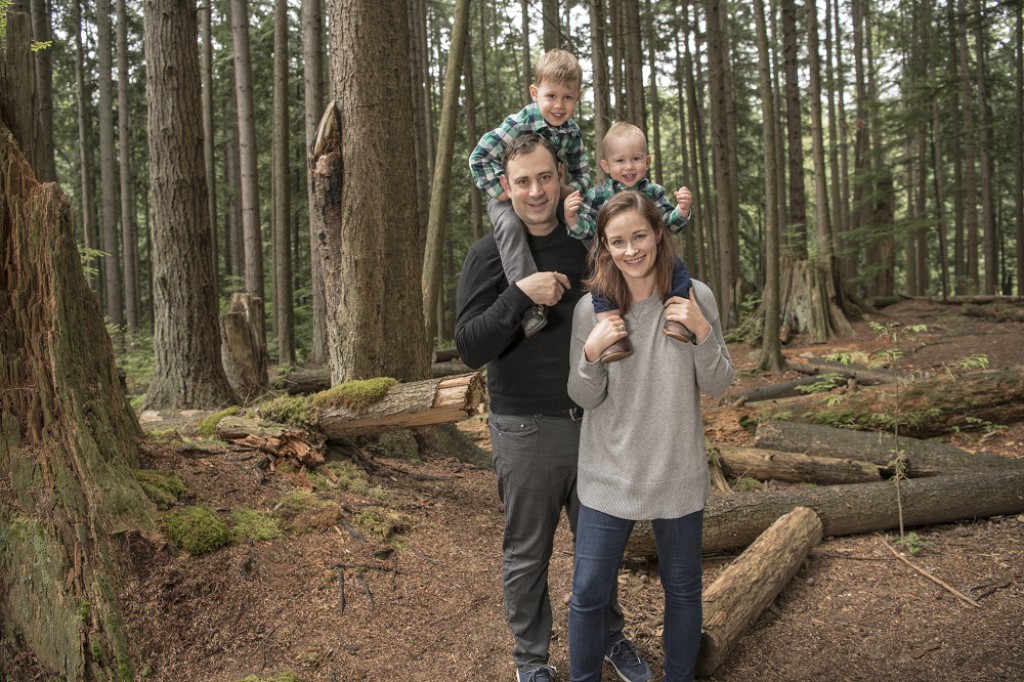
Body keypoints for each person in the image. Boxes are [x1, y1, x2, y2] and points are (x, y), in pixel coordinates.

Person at [456, 134, 652, 682]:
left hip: (595, 422)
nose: (536, 191)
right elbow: (470, 345)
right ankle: (532, 661)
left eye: (545, 177)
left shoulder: (586, 243)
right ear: (505, 187)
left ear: (561, 176)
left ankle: (609, 637)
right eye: (523, 181)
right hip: (525, 428)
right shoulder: (487, 254)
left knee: (602, 547)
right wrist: (520, 295)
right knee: (528, 553)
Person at [566, 192, 735, 682]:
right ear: (604, 246)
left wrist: (702, 330)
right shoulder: (589, 311)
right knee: (589, 592)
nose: (631, 250)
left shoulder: (695, 297)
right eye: (617, 241)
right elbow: (583, 396)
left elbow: (719, 384)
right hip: (606, 473)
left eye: (639, 236)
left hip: (676, 470)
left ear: (659, 234)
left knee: (682, 590)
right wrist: (591, 355)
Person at [469, 49, 591, 338]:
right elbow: (478, 158)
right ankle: (528, 306)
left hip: (552, 192)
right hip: (511, 194)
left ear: (578, 96)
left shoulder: (572, 132)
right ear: (536, 92)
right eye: (551, 96)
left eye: (568, 97)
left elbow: (582, 173)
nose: (559, 105)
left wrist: (569, 192)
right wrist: (504, 192)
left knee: (586, 215)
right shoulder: (519, 124)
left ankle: (604, 278)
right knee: (510, 226)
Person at [564, 121, 696, 363]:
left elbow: (668, 225)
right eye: (620, 160)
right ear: (606, 165)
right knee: (601, 282)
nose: (629, 167)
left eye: (636, 159)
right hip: (611, 259)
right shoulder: (597, 195)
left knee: (677, 267)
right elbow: (588, 231)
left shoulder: (654, 193)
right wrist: (572, 219)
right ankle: (613, 336)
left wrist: (682, 210)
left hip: (651, 258)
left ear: (647, 161)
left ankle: (677, 319)